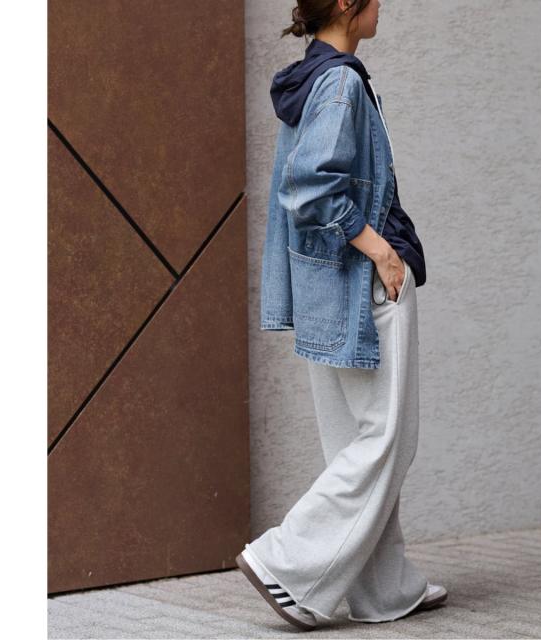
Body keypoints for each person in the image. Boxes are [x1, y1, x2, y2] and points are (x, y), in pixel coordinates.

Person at [236, 0, 447, 631]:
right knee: (387, 440)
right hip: (363, 286)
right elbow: (311, 186)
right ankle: (285, 560)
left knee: (355, 442)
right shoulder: (340, 83)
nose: (384, 5)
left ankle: (384, 589)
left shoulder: (310, 76)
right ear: (349, 5)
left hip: (325, 288)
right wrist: (383, 252)